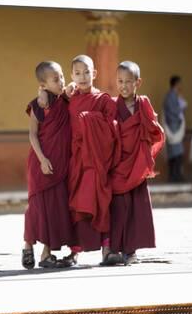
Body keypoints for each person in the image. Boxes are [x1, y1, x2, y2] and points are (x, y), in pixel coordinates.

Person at [42, 55, 121, 267]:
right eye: (77, 73)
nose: (83, 77)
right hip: (76, 161)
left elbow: (111, 128)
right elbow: (48, 108)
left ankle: (107, 249)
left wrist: (89, 119)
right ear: (72, 76)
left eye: (87, 72)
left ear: (94, 73)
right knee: (76, 206)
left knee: (100, 202)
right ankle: (74, 252)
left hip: (96, 162)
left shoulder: (103, 99)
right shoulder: (69, 98)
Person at [109, 61, 165, 265]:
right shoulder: (113, 104)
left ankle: (131, 250)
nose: (123, 86)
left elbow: (153, 128)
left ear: (138, 82)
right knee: (118, 206)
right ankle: (114, 248)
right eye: (120, 81)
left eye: (128, 81)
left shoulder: (143, 103)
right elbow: (108, 131)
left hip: (138, 163)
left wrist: (149, 130)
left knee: (136, 207)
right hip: (119, 162)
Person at [22, 61, 75, 269]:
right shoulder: (38, 105)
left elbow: (76, 85)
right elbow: (32, 135)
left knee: (54, 209)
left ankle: (46, 253)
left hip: (60, 165)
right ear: (43, 84)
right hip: (41, 163)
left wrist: (66, 87)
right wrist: (43, 159)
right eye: (56, 79)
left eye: (62, 76)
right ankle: (27, 246)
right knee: (36, 207)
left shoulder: (65, 100)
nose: (61, 81)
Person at [162, 75, 187, 182]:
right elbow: (174, 111)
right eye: (180, 83)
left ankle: (175, 176)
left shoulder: (173, 95)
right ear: (176, 84)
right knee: (176, 153)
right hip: (173, 127)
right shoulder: (171, 96)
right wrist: (181, 107)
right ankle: (175, 176)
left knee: (176, 153)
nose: (181, 86)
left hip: (174, 126)